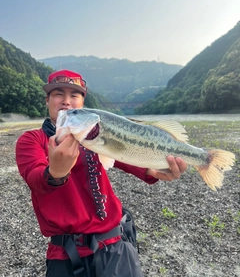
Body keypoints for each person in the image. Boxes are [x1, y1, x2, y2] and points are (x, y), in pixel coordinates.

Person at [16, 69, 187, 277]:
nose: (66, 102)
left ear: (82, 104)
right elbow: (35, 178)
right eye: (58, 94)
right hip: (64, 256)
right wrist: (56, 172)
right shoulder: (32, 140)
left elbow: (127, 155)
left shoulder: (92, 137)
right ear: (47, 100)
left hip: (114, 247)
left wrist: (155, 169)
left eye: (74, 95)